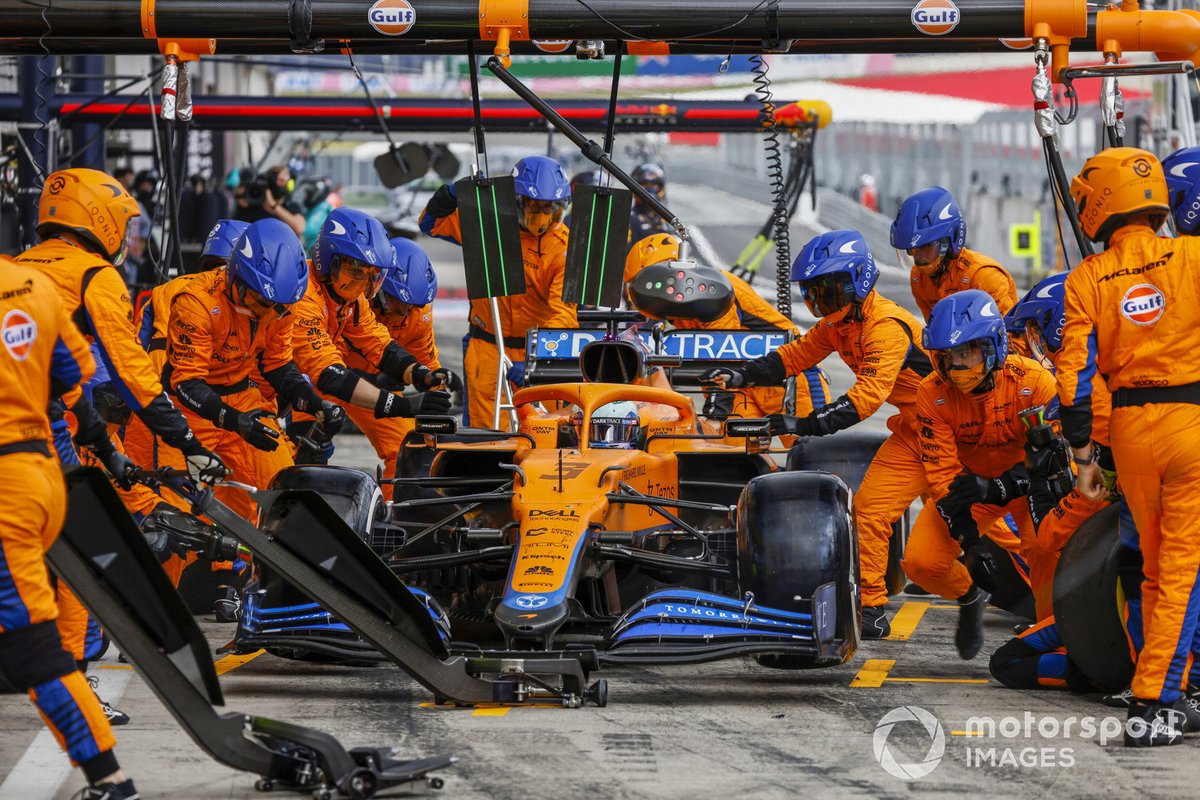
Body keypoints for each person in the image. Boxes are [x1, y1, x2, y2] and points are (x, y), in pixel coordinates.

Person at [699, 229, 933, 639]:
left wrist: (800, 425)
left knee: (982, 525)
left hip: (961, 433)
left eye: (826, 292)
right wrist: (742, 375)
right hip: (916, 433)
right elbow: (792, 357)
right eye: (813, 295)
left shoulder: (887, 327)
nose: (818, 304)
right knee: (870, 513)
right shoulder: (836, 326)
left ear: (856, 283)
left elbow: (865, 400)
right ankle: (872, 608)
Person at [1058, 147, 1200, 745]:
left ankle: (1167, 683)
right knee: (1182, 570)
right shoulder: (1193, 255)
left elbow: (1074, 381)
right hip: (1192, 422)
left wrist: (1085, 458)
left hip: (1131, 435)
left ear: (1100, 204)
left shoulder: (1088, 278)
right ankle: (1157, 703)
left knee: (1148, 565)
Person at [0, 254, 139, 800]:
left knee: (33, 649)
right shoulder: (31, 283)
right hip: (40, 472)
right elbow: (74, 382)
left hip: (7, 489)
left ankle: (111, 780)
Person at [166, 218, 345, 521]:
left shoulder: (281, 305)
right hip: (192, 413)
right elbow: (185, 382)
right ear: (238, 280)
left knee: (287, 494)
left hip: (246, 402)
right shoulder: (195, 303)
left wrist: (314, 403)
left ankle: (263, 566)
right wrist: (233, 420)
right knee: (182, 514)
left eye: (282, 307)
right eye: (265, 303)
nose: (272, 313)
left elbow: (278, 365)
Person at [912, 289, 1057, 660]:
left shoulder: (1035, 382)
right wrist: (970, 542)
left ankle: (1055, 633)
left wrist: (1003, 486)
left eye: (967, 353)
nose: (958, 367)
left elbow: (1057, 461)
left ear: (993, 345)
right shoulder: (931, 394)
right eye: (949, 357)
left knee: (1045, 549)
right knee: (920, 563)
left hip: (1030, 485)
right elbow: (942, 474)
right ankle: (969, 596)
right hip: (971, 489)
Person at [289, 208, 453, 481]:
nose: (363, 284)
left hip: (333, 380)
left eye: (371, 275)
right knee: (295, 464)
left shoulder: (350, 299)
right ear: (328, 262)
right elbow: (329, 374)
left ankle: (400, 517)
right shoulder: (305, 299)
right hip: (287, 390)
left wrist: (420, 374)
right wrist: (406, 406)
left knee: (405, 446)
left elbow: (378, 343)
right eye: (356, 272)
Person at [420, 155, 575, 429]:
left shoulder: (564, 250)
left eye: (547, 207)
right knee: (485, 434)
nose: (539, 214)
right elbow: (430, 223)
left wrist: (535, 359)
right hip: (488, 347)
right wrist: (455, 192)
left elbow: (562, 314)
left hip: (537, 352)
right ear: (517, 201)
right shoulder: (487, 227)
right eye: (533, 205)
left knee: (546, 431)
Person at [624, 232, 830, 421]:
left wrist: (715, 412)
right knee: (730, 451)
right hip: (742, 382)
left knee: (810, 451)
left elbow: (721, 350)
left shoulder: (710, 292)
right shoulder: (678, 309)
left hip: (790, 376)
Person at [891, 187, 1018, 322]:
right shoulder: (918, 278)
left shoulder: (985, 276)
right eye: (912, 250)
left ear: (948, 242)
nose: (919, 258)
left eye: (927, 247)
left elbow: (1010, 338)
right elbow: (934, 333)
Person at [232, 165, 306, 238]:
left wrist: (274, 206)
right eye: (278, 179)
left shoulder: (291, 207)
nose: (281, 181)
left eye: (283, 180)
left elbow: (299, 228)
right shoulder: (254, 205)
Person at [628, 163, 670, 245]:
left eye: (654, 185)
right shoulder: (630, 219)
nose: (650, 189)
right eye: (645, 185)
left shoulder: (665, 218)